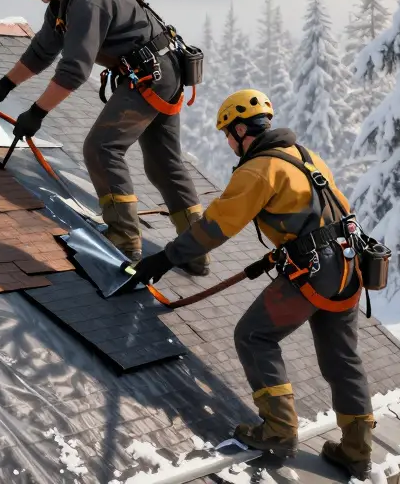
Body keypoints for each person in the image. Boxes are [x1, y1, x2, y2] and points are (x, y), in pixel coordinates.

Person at [126, 89, 375, 479]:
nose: (228, 142)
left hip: (316, 268)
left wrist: (165, 258)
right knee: (342, 359)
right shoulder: (303, 156)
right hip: (350, 263)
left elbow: (216, 225)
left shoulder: (259, 168)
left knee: (253, 336)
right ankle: (356, 451)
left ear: (242, 129)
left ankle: (277, 431)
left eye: (229, 133)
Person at [0, 0, 208, 274]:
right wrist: (4, 86)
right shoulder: (65, 5)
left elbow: (73, 71)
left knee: (101, 148)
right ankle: (195, 250)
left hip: (152, 74)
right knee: (162, 163)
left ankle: (124, 240)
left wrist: (36, 113)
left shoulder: (87, 1)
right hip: (161, 72)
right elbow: (42, 50)